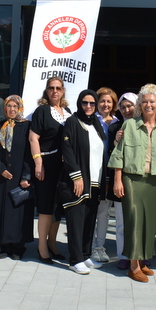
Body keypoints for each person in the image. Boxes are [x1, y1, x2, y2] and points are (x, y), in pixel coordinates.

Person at [109, 83, 156, 283]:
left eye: (152, 101)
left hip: (155, 181)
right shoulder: (129, 125)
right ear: (140, 105)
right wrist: (117, 180)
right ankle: (133, 265)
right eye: (144, 101)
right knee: (134, 220)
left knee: (149, 222)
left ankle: (144, 261)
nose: (148, 104)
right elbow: (118, 155)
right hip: (132, 179)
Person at [60, 90, 107, 274]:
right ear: (79, 104)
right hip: (79, 181)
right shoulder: (72, 122)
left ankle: (86, 255)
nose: (88, 106)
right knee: (76, 221)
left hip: (95, 180)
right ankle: (75, 259)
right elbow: (67, 150)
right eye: (85, 103)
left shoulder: (96, 123)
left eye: (92, 103)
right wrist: (76, 176)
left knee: (89, 220)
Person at [29, 77, 72, 263]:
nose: (55, 91)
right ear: (46, 91)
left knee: (57, 207)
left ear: (63, 91)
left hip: (63, 167)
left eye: (58, 88)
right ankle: (42, 247)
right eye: (51, 88)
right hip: (46, 164)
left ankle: (53, 243)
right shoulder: (42, 111)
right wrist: (38, 163)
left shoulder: (68, 112)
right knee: (46, 207)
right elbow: (33, 138)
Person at [0, 95, 34, 260]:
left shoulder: (27, 126)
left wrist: (26, 176)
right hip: (3, 176)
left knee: (18, 211)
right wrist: (0, 168)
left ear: (20, 108)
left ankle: (18, 246)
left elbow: (30, 153)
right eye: (8, 106)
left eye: (15, 106)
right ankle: (3, 245)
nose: (11, 109)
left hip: (19, 177)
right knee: (2, 210)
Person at [110, 92, 138, 270]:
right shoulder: (115, 128)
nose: (127, 110)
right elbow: (111, 156)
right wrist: (115, 141)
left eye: (130, 106)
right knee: (121, 221)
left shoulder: (145, 125)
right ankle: (123, 255)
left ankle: (140, 255)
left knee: (139, 221)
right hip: (121, 179)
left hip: (140, 180)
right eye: (123, 107)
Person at [92, 87, 119, 263]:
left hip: (110, 172)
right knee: (90, 211)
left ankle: (99, 247)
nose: (105, 104)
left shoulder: (118, 122)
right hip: (93, 171)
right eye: (102, 101)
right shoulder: (91, 120)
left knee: (104, 211)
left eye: (109, 101)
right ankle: (88, 246)